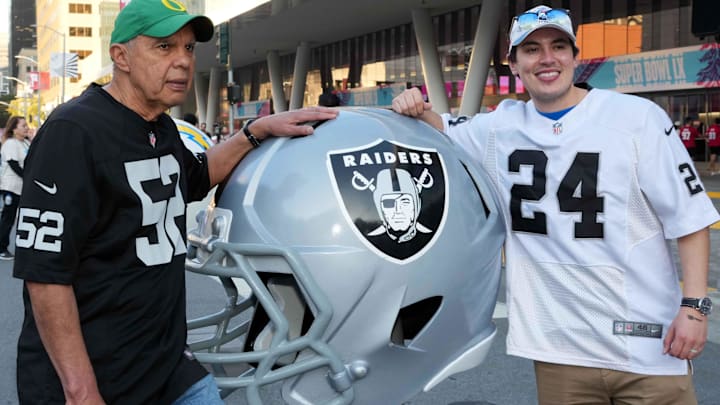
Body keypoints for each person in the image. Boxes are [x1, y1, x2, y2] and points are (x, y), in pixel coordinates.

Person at [12, 0, 338, 403]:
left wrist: (255, 131)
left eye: (188, 48)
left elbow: (195, 176)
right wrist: (81, 392)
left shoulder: (160, 126)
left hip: (164, 366)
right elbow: (46, 275)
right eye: (164, 47)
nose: (183, 61)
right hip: (95, 375)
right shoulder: (73, 131)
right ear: (121, 57)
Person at [392, 5, 717, 404]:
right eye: (531, 50)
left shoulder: (637, 119)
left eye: (558, 46)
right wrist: (412, 105)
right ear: (513, 64)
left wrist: (694, 308)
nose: (547, 58)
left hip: (648, 348)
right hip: (560, 352)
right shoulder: (500, 126)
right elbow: (438, 127)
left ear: (575, 56)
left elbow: (690, 219)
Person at [0, 116, 30, 260]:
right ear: (14, 129)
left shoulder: (25, 143)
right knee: (8, 218)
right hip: (10, 187)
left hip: (22, 187)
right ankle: (1, 247)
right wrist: (29, 178)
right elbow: (14, 165)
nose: (27, 128)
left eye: (26, 125)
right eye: (23, 126)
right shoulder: (11, 144)